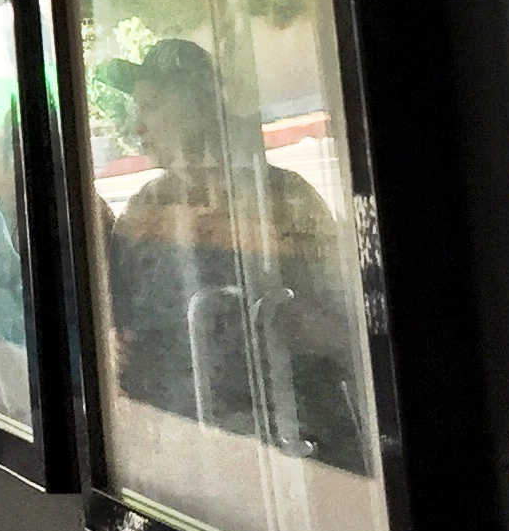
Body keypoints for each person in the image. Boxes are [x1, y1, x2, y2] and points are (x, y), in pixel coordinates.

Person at [102, 38, 369, 472]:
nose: (138, 126)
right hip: (182, 448)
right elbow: (122, 343)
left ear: (196, 107)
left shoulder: (282, 199)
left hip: (292, 444)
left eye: (151, 106)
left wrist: (301, 326)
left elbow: (350, 333)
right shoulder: (143, 213)